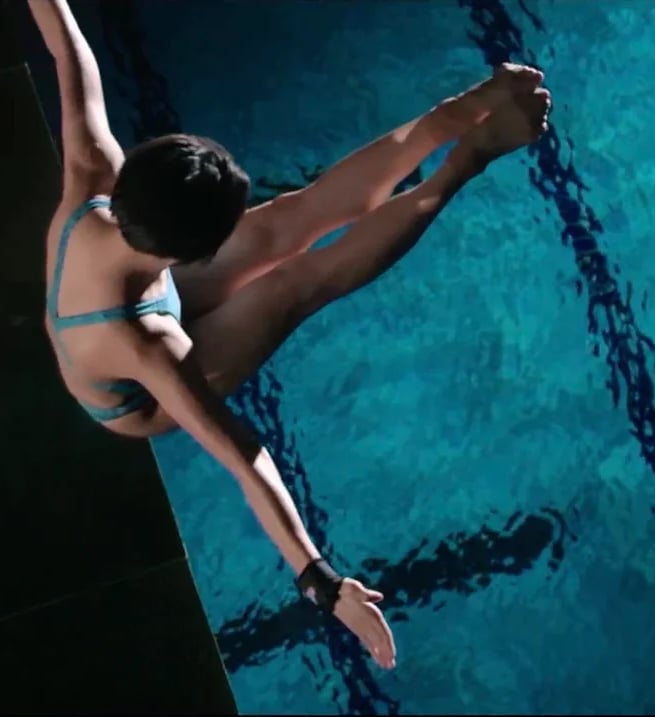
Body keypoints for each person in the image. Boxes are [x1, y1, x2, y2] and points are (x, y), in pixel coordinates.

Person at [29, 0, 551, 670]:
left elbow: (69, 46)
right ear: (192, 253)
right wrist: (323, 583)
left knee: (289, 218)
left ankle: (463, 109)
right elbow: (243, 457)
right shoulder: (153, 347)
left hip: (129, 283)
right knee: (295, 284)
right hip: (134, 398)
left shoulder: (94, 175)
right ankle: (468, 158)